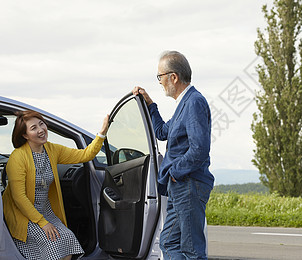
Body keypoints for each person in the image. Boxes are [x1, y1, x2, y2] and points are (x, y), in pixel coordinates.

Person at [133, 50, 214, 259]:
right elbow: (162, 132)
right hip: (180, 186)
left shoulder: (194, 102)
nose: (159, 82)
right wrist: (150, 104)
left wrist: (174, 172)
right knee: (169, 242)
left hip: (188, 183)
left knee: (192, 250)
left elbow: (199, 149)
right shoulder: (183, 105)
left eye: (160, 76)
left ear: (173, 77)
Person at [2, 110, 109, 260]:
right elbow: (19, 197)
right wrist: (42, 223)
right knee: (52, 243)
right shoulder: (17, 158)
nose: (40, 130)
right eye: (33, 128)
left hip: (46, 211)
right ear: (25, 135)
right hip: (24, 215)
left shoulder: (52, 149)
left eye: (41, 124)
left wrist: (102, 132)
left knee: (67, 238)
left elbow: (86, 155)